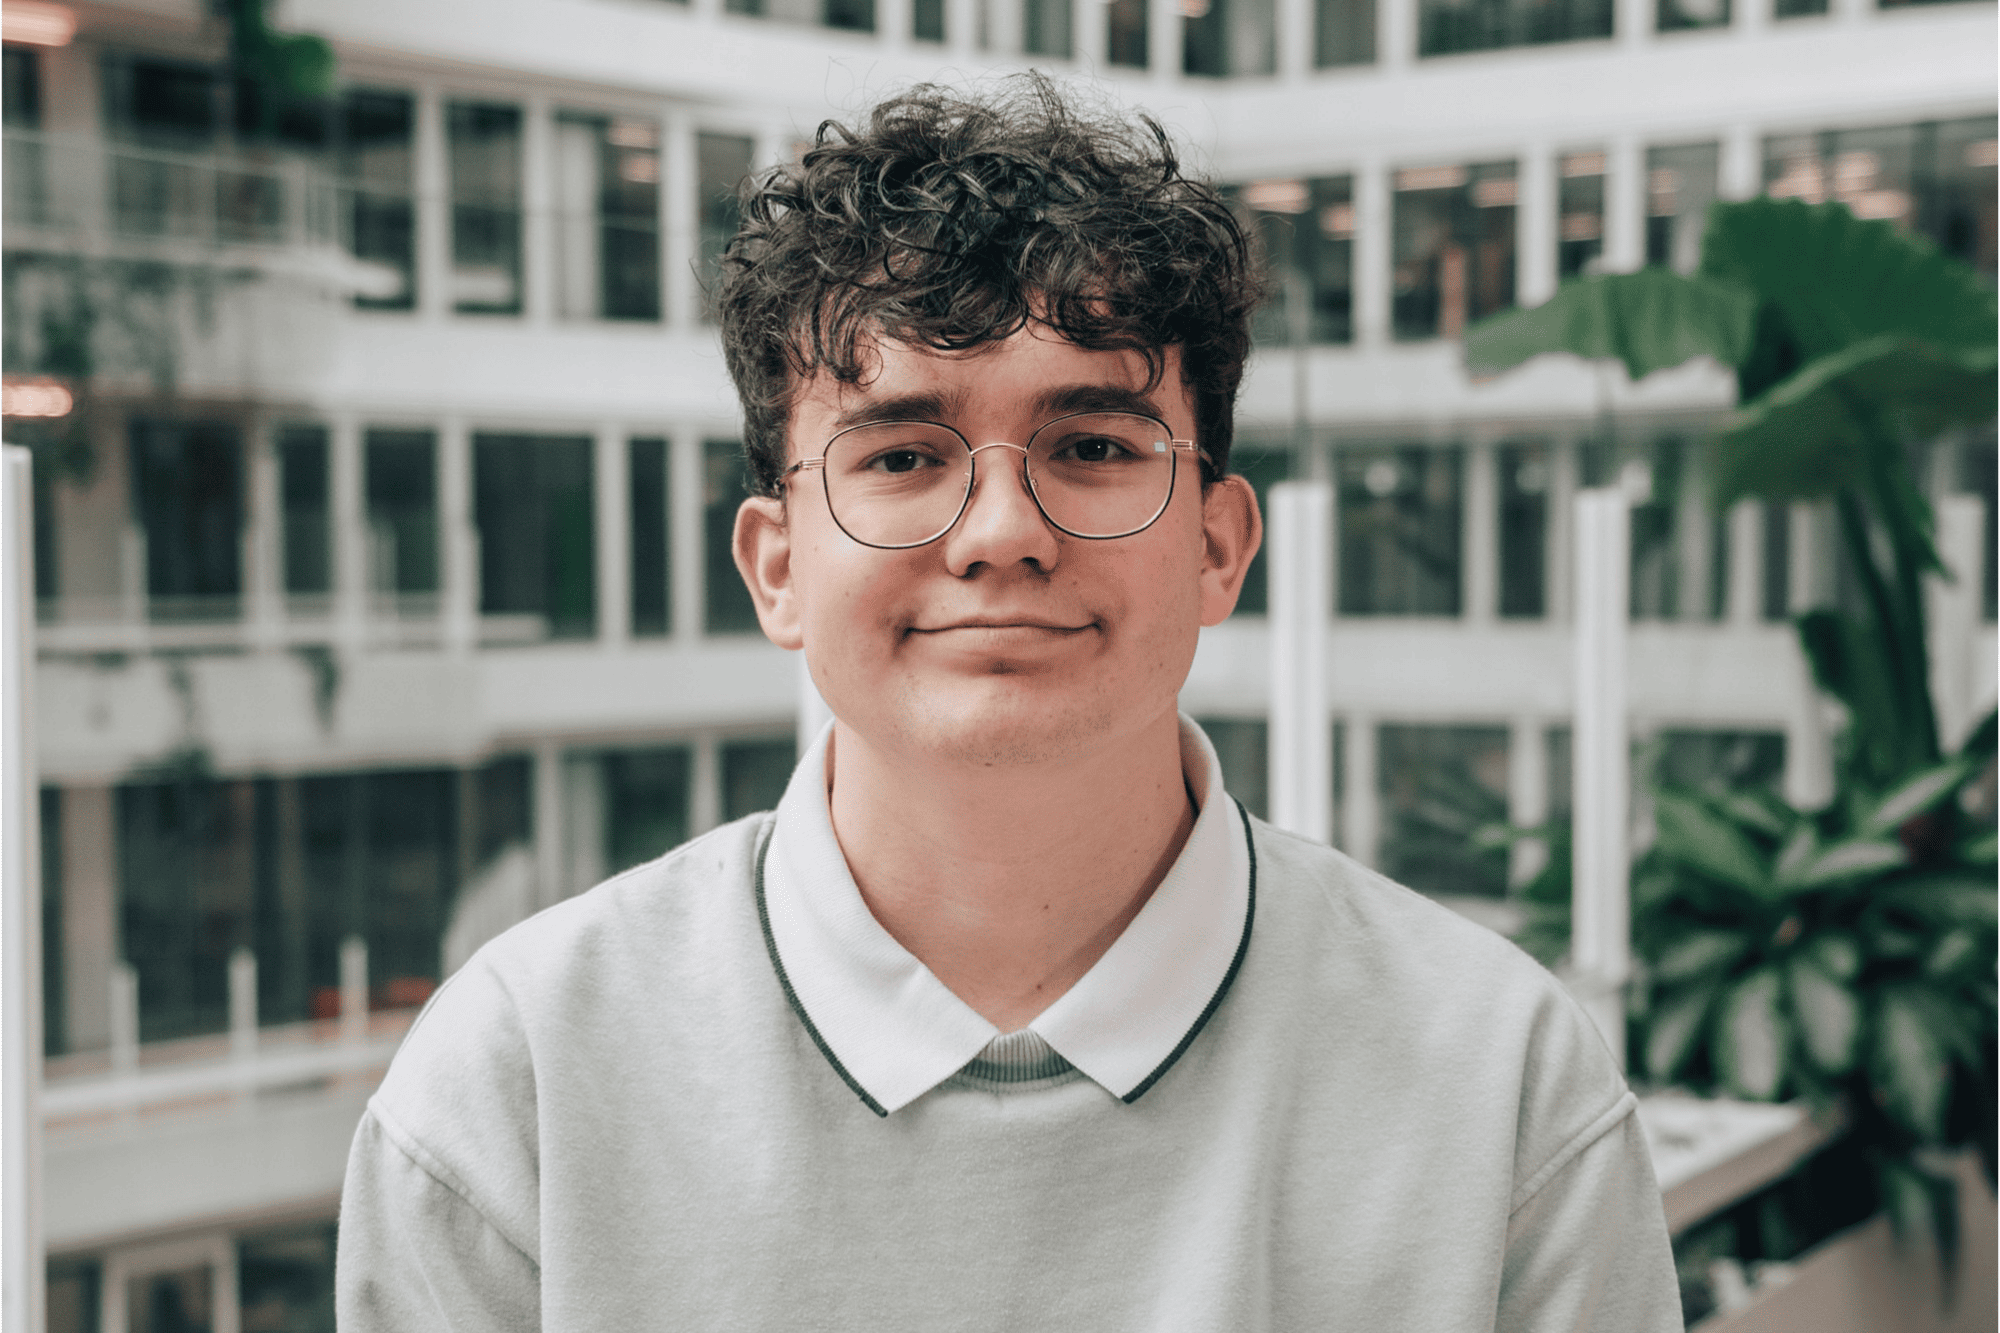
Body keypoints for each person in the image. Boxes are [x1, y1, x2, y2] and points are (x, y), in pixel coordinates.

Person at [335, 76, 1682, 1330]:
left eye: (1091, 447)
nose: (1000, 534)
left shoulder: (1502, 1087)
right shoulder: (515, 1090)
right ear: (778, 566)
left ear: (1219, 548)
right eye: (902, 456)